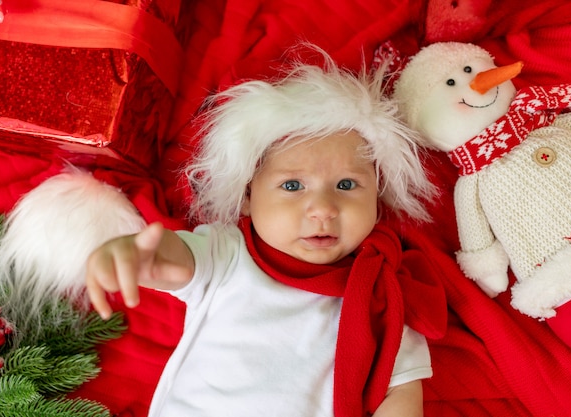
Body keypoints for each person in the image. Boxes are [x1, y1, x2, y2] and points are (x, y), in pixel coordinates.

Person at [85, 51, 444, 417]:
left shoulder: (380, 292)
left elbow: (401, 391)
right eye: (292, 185)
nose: (322, 208)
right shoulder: (230, 254)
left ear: (377, 201)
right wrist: (137, 253)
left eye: (347, 184)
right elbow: (177, 260)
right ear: (247, 198)